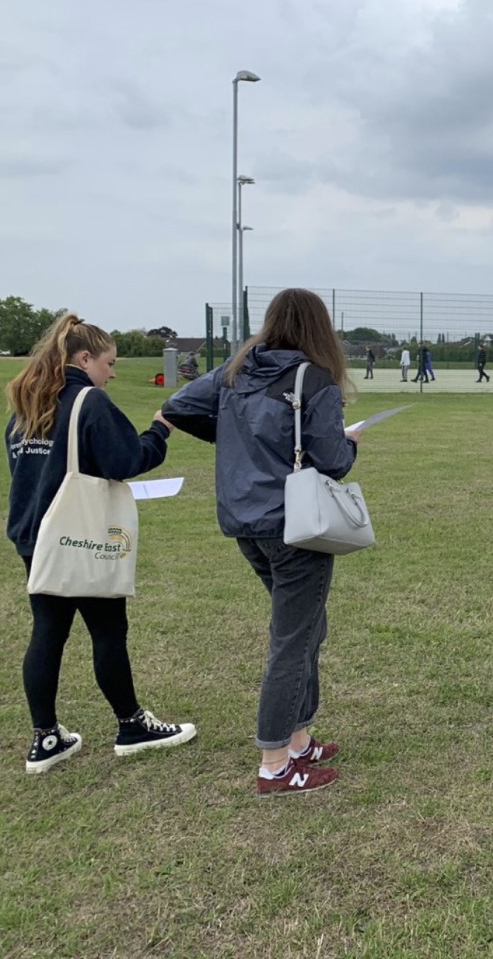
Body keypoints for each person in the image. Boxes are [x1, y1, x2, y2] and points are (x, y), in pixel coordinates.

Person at [162, 288, 363, 796]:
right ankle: (275, 762)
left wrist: (237, 438)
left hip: (245, 521)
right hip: (295, 525)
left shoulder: (237, 370)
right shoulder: (312, 379)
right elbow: (332, 460)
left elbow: (179, 405)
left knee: (307, 628)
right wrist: (350, 444)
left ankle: (299, 740)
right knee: (293, 641)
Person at [5, 313, 197, 774]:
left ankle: (45, 737)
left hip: (36, 534)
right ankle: (131, 725)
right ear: (84, 358)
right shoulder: (88, 402)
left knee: (47, 632)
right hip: (81, 536)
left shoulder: (26, 403)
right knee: (108, 630)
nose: (112, 373)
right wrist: (160, 430)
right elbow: (125, 459)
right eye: (108, 362)